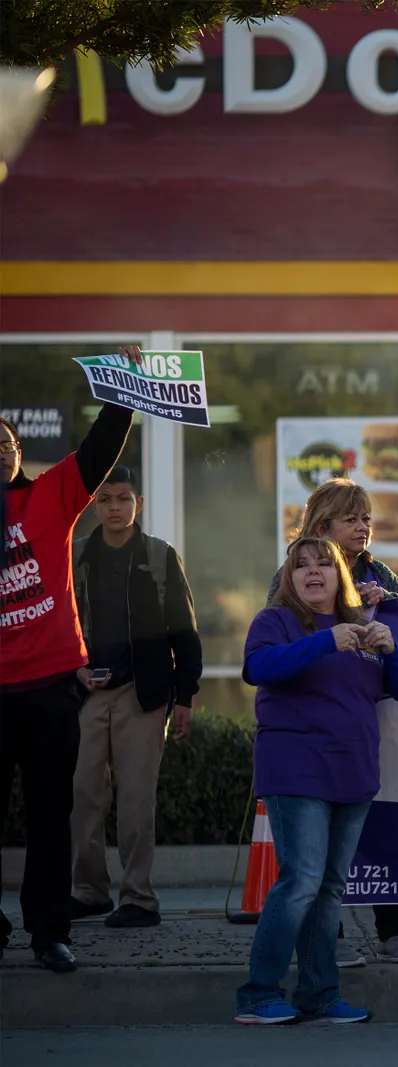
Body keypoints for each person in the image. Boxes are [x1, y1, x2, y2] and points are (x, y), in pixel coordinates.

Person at [233, 536, 398, 1025]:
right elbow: (259, 668)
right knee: (301, 881)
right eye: (302, 566)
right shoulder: (274, 621)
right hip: (296, 768)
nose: (313, 572)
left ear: (341, 575)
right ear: (290, 578)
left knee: (330, 889)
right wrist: (324, 640)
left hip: (353, 771)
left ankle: (318, 992)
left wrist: (393, 649)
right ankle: (258, 994)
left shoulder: (362, 626)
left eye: (324, 564)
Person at [1, 343, 141, 973]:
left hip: (51, 685)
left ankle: (49, 931)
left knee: (51, 817)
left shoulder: (50, 496)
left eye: (6, 443)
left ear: (18, 454)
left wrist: (123, 387)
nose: (1, 451)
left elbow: (98, 448)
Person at [266, 478, 398, 965]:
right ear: (324, 524)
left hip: (370, 719)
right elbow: (276, 647)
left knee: (383, 828)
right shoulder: (292, 571)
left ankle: (392, 931)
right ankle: (319, 951)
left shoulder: (383, 574)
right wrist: (343, 609)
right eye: (353, 518)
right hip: (309, 738)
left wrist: (383, 607)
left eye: (367, 518)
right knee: (311, 870)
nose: (364, 527)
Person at [69, 464, 204, 929]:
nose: (114, 508)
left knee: (135, 799)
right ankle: (88, 892)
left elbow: (184, 631)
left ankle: (139, 898)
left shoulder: (159, 556)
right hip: (86, 690)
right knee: (83, 794)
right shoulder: (76, 555)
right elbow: (58, 623)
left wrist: (185, 694)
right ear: (94, 504)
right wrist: (74, 669)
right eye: (105, 499)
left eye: (123, 499)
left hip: (142, 692)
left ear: (137, 504)